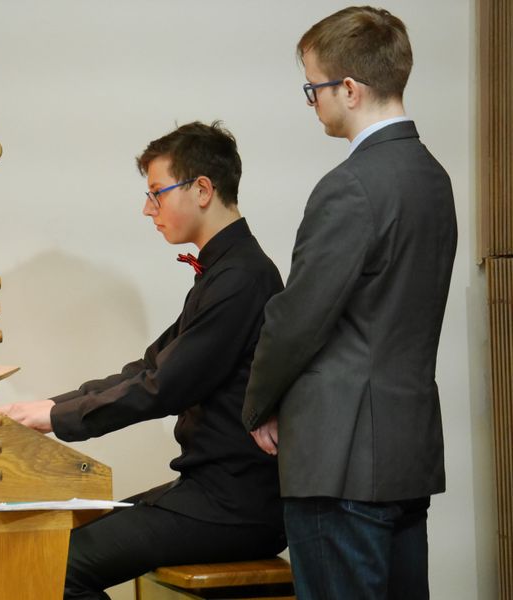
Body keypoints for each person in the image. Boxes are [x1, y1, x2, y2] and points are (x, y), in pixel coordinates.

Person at [0, 121, 286, 600]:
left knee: (55, 569)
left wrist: (56, 418)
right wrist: (49, 406)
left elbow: (164, 387)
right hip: (211, 492)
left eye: (156, 193)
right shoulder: (224, 271)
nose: (147, 208)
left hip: (236, 505)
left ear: (202, 190)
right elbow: (147, 368)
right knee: (55, 545)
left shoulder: (241, 277)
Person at [242, 7, 458, 600]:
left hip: (338, 456)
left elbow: (297, 318)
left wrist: (258, 403)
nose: (312, 101)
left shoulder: (351, 185)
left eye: (313, 88)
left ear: (350, 89)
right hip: (406, 450)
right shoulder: (433, 178)